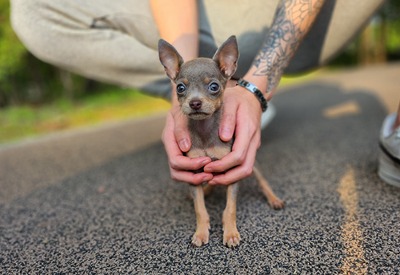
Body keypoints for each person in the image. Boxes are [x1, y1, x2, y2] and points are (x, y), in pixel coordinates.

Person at [11, 0, 390, 186]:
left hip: (313, 15)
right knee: (35, 11)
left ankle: (235, 92)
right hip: (218, 17)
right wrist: (182, 83)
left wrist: (257, 86)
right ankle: (213, 96)